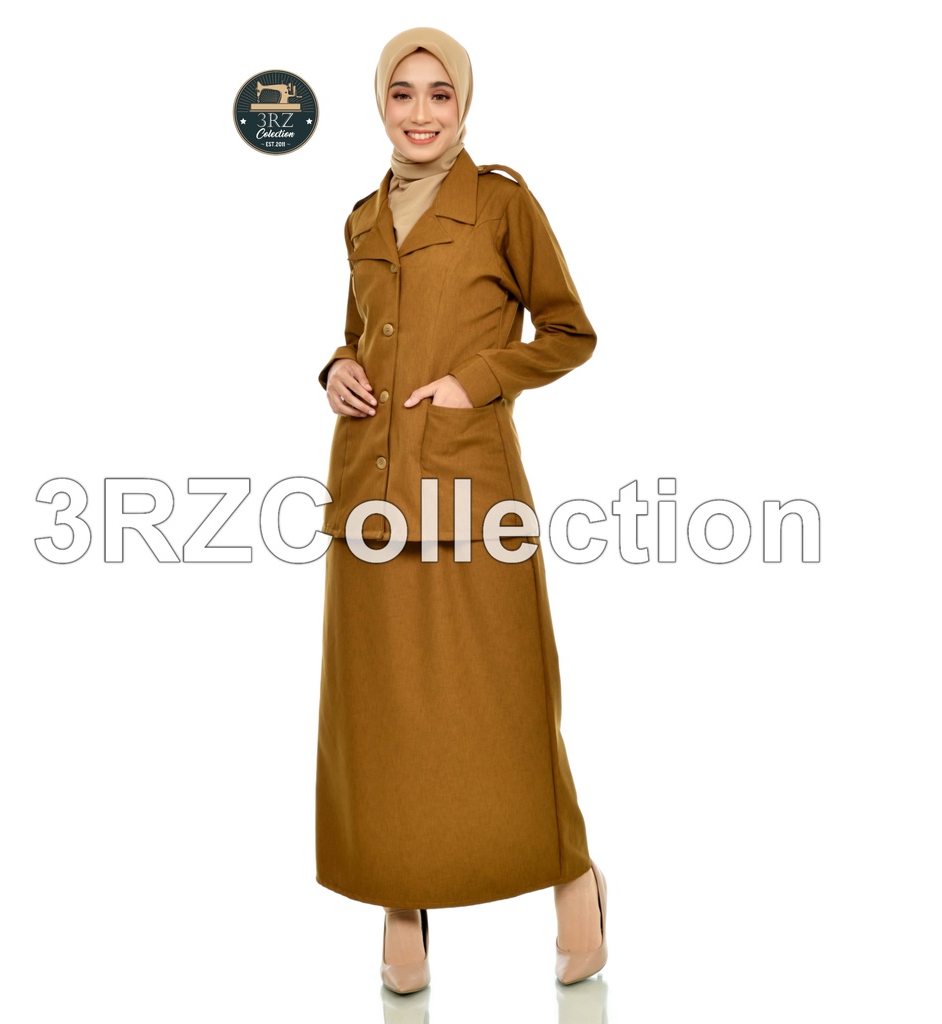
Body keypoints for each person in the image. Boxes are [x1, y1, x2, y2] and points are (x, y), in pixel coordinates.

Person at [314, 26, 606, 994]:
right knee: (382, 713)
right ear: (380, 104)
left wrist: (475, 380)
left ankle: (572, 880)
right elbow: (361, 331)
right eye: (402, 93)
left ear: (465, 104)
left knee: (509, 701)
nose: (421, 112)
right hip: (368, 500)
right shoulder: (361, 217)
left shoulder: (502, 204)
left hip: (473, 496)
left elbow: (568, 331)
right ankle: (401, 905)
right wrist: (335, 368)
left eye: (440, 93)